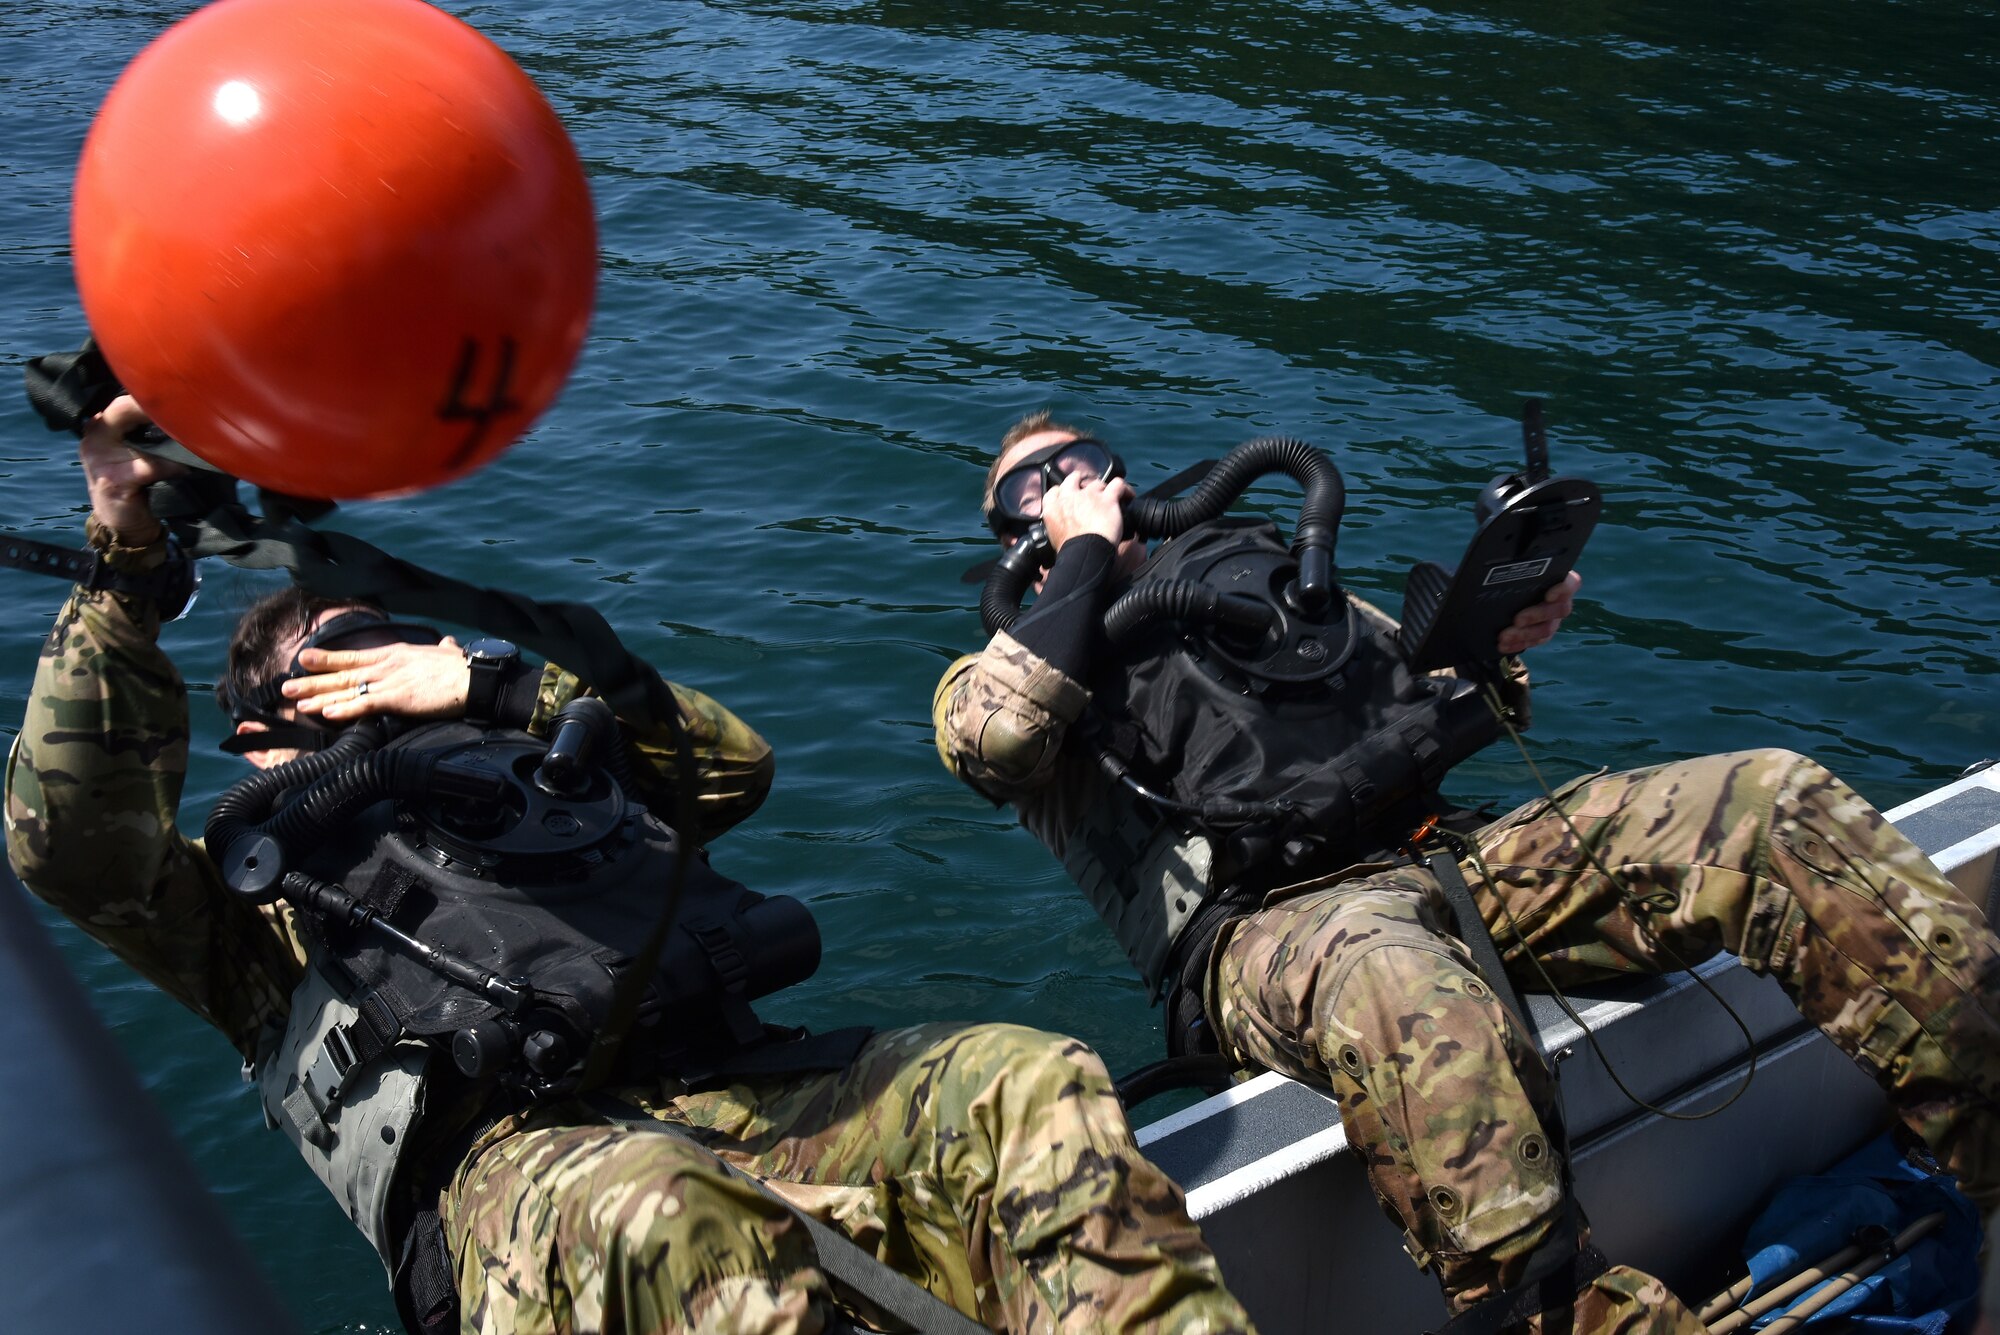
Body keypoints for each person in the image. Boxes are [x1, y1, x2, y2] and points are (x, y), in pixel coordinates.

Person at [4, 395, 1257, 1335]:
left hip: (749, 1092)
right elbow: (66, 838)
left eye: (397, 639)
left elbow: (730, 765)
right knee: (665, 1213)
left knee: (1026, 1083)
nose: (393, 665)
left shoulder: (544, 774)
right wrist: (124, 563)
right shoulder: (256, 901)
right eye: (349, 653)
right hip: (518, 1182)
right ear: (268, 729)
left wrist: (495, 684)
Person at [934, 409, 2000, 1335]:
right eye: (1031, 486)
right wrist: (1074, 562)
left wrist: (1503, 634)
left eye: (1083, 460)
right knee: (1397, 987)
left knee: (1764, 802)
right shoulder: (1000, 668)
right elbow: (994, 745)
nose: (1068, 483)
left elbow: (1431, 699)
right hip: (1270, 934)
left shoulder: (1241, 573)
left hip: (1453, 851)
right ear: (1014, 532)